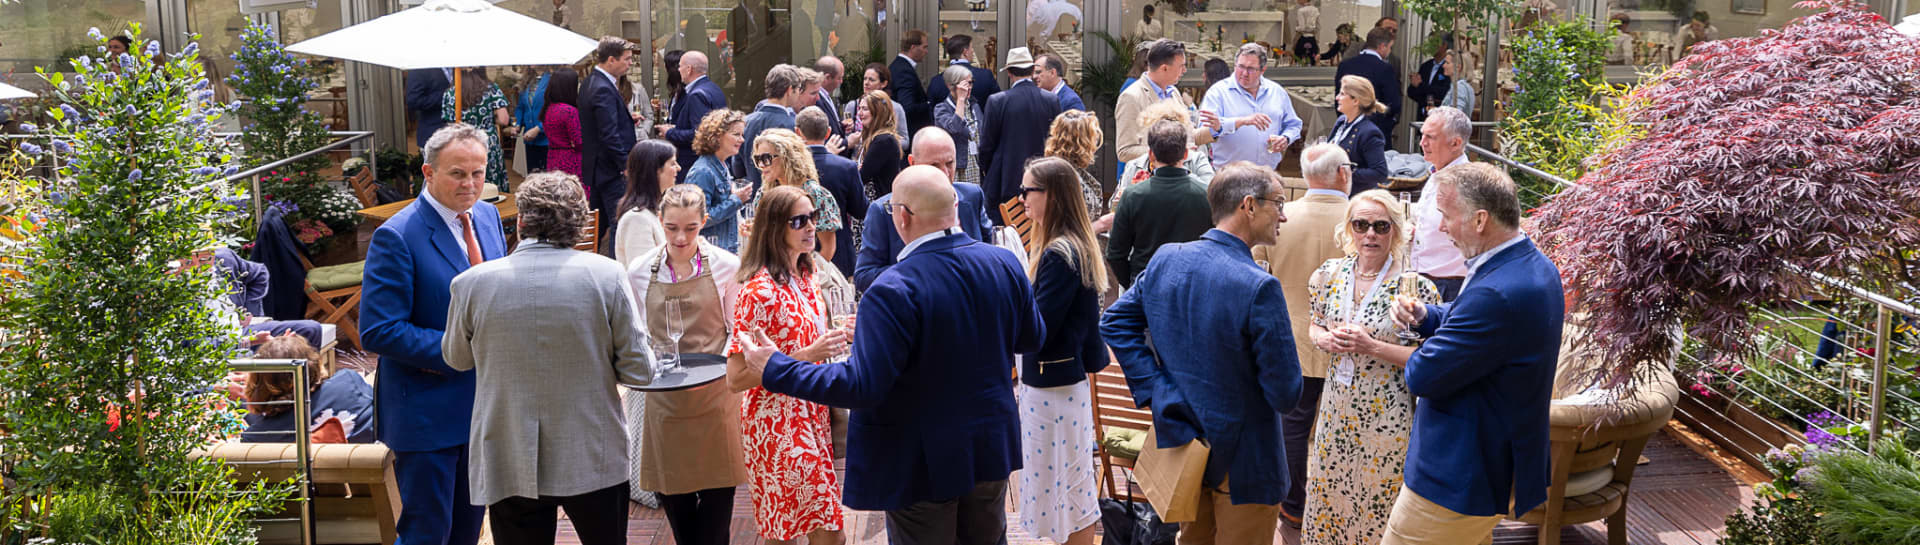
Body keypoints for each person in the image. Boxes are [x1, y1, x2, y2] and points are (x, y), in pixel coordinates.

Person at [735, 165, 1043, 545]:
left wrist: (775, 366)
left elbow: (862, 386)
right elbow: (1031, 338)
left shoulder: (893, 288)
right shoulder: (1004, 263)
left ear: (902, 216)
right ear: (956, 209)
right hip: (990, 446)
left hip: (921, 461)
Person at [441, 172, 653, 545]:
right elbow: (640, 370)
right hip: (592, 451)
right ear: (579, 224)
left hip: (509, 453)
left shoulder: (471, 284)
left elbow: (456, 359)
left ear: (521, 221)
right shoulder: (607, 276)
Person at [1100, 163, 1302, 545]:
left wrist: (1159, 390)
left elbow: (1114, 323)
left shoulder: (1166, 259)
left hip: (1183, 439)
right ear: (1249, 206)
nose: (1285, 213)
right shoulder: (1260, 287)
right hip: (1246, 462)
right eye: (1278, 202)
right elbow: (1286, 393)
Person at [1381, 163, 1564, 545]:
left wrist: (1415, 345)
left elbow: (1422, 375)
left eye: (1447, 216)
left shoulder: (1496, 292)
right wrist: (1427, 316)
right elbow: (1474, 320)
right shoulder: (1530, 265)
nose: (1442, 227)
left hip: (1457, 476)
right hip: (1486, 468)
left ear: (1480, 219)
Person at [360, 124, 507, 545]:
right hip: (426, 414)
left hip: (480, 410)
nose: (471, 183)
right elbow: (378, 329)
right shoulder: (397, 235)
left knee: (467, 530)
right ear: (428, 172)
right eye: (458, 173)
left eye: (478, 173)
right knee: (428, 533)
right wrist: (461, 351)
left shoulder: (487, 216)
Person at [1298, 189, 1439, 544]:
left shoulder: (1414, 288)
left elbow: (1428, 359)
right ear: (1349, 229)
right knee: (1330, 495)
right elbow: (1314, 323)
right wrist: (1323, 340)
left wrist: (1372, 346)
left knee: (1377, 501)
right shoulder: (1328, 275)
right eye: (1361, 225)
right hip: (1336, 410)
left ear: (1396, 231)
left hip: (1386, 415)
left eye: (1380, 226)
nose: (1370, 234)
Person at [724, 186, 853, 545]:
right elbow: (735, 378)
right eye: (799, 221)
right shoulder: (757, 291)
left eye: (812, 217)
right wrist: (807, 354)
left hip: (811, 413)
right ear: (774, 226)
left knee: (797, 528)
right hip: (775, 422)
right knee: (816, 532)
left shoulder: (808, 273)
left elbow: (813, 341)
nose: (811, 227)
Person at [628, 184, 750, 545]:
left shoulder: (728, 267)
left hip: (715, 398)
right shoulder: (638, 271)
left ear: (704, 223)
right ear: (660, 223)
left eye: (691, 228)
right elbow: (637, 336)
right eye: (671, 228)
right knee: (674, 499)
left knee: (717, 505)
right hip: (665, 399)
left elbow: (736, 332)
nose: (681, 237)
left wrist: (717, 367)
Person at [1250, 143, 1350, 526]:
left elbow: (1259, 272)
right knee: (1344, 426)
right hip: (1349, 342)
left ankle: (1293, 503)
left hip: (1292, 338)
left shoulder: (1282, 216)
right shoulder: (1365, 219)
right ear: (1342, 173)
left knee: (1292, 426)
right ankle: (1338, 504)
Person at [1013, 157, 1108, 545]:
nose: (1021, 201)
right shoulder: (1066, 247)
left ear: (1051, 196)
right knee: (1069, 488)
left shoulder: (1059, 254)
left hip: (1054, 390)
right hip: (1059, 386)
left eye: (1027, 192)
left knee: (1068, 492)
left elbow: (1040, 329)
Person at [854, 127, 992, 290]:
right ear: (912, 163)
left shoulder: (972, 196)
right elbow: (864, 276)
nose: (944, 173)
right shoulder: (884, 210)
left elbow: (989, 248)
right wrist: (923, 271)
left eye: (950, 163)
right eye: (934, 165)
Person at [1106, 120, 1212, 288]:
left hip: (1145, 283)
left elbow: (1115, 254)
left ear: (1151, 155)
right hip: (1191, 287)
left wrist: (1133, 283)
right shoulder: (1206, 194)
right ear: (1185, 154)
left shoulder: (1133, 195)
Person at [242, 334, 376, 444]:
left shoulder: (258, 436)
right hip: (380, 467)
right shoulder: (348, 380)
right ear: (314, 363)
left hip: (313, 476)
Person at [980, 47, 1063, 224]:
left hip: (1004, 180)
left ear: (1009, 72)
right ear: (1033, 70)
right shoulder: (1051, 100)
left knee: (1004, 234)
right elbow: (1055, 141)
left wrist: (989, 171)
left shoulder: (998, 101)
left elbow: (986, 146)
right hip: (1041, 179)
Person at [1201, 43, 1305, 170]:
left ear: (1263, 70)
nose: (1244, 73)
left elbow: (1294, 124)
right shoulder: (1218, 92)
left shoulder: (1277, 92)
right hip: (1229, 176)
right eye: (1241, 67)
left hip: (1267, 174)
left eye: (1251, 69)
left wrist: (1286, 138)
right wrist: (1241, 121)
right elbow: (1202, 134)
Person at [1115, 39, 1216, 165]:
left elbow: (1189, 137)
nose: (1184, 71)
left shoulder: (1173, 92)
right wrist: (1170, 153)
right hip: (1149, 180)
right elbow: (1125, 151)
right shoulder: (1131, 97)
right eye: (1181, 66)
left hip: (1179, 176)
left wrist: (1216, 130)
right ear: (1164, 68)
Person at [1411, 106, 1473, 301]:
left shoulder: (1466, 183)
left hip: (1449, 286)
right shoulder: (1437, 172)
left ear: (1455, 143)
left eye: (1431, 137)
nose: (1422, 143)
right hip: (1422, 278)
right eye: (1422, 135)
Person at [582, 37, 641, 241]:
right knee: (620, 221)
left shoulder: (591, 82)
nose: (630, 63)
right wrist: (624, 164)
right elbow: (608, 133)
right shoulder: (602, 87)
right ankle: (618, 268)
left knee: (599, 223)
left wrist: (626, 118)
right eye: (626, 59)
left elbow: (601, 122)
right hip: (610, 168)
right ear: (611, 60)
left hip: (599, 166)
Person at [798, 107, 868, 278]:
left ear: (798, 133)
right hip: (839, 255)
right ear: (828, 132)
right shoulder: (846, 167)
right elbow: (861, 210)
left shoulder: (791, 169)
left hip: (799, 253)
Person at [753, 128, 843, 260]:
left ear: (787, 157)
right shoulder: (764, 194)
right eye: (757, 159)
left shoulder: (815, 194)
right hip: (771, 272)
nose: (761, 165)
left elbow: (828, 248)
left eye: (766, 158)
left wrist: (808, 277)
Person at [685, 109, 756, 253]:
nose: (742, 140)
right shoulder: (702, 172)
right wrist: (736, 200)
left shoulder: (722, 165)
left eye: (742, 135)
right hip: (711, 253)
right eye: (736, 134)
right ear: (716, 136)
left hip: (724, 250)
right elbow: (698, 219)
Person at [1117, 101, 1218, 194]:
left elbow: (1211, 192)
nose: (1167, 134)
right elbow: (1117, 203)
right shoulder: (1135, 165)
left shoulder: (1196, 160)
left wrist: (1179, 173)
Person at [738, 65, 814, 189]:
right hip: (785, 197)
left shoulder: (745, 122)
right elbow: (800, 168)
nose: (799, 93)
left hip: (753, 197)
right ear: (790, 90)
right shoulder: (792, 124)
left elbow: (737, 168)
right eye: (799, 89)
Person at [441, 68, 512, 193]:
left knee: (467, 180)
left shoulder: (450, 93)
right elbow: (504, 119)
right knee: (492, 184)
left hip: (463, 142)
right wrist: (490, 119)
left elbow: (450, 124)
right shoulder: (491, 89)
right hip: (487, 142)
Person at [662, 51, 728, 181]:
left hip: (693, 162)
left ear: (689, 69)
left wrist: (669, 132)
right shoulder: (714, 88)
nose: (678, 70)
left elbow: (699, 134)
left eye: (680, 66)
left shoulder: (696, 95)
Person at [614, 140, 681, 267]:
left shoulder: (656, 211)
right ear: (656, 170)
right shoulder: (636, 219)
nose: (678, 168)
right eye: (672, 164)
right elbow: (643, 274)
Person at [1336, 27, 1402, 147]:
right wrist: (1387, 124)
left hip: (1348, 129)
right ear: (1382, 46)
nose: (1389, 51)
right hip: (1376, 131)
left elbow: (1338, 100)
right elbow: (1394, 103)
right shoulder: (1384, 68)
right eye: (1389, 47)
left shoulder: (1345, 65)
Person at [1328, 75, 1389, 195]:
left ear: (1355, 101)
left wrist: (1345, 173)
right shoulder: (1341, 121)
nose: (1337, 98)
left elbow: (1380, 173)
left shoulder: (1369, 133)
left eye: (1342, 94)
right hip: (1336, 192)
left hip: (1355, 197)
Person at [1042, 110, 1105, 225]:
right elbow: (1068, 230)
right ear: (1081, 141)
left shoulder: (1065, 167)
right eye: (1093, 136)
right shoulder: (1062, 176)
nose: (1096, 141)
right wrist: (1102, 224)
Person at [933, 65, 986, 185]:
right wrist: (960, 100)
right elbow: (955, 128)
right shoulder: (941, 109)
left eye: (971, 83)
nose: (969, 88)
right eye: (965, 84)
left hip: (976, 164)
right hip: (957, 167)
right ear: (951, 86)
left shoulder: (974, 105)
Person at [846, 62, 909, 156]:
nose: (866, 83)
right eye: (865, 79)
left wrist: (882, 144)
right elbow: (845, 137)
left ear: (883, 84)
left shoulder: (895, 108)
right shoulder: (853, 106)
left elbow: (905, 141)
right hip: (856, 161)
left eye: (871, 80)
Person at [926, 34, 1002, 109]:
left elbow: (930, 110)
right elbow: (998, 104)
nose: (972, 51)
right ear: (965, 52)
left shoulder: (936, 81)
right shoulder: (985, 76)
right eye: (971, 48)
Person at [857, 90, 907, 200]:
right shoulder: (874, 138)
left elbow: (862, 176)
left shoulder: (883, 141)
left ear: (878, 112)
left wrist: (854, 170)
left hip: (879, 204)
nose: (860, 113)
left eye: (865, 109)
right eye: (859, 108)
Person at [542, 67, 586, 181]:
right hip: (570, 160)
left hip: (553, 157)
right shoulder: (569, 111)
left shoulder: (549, 108)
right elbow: (579, 142)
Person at [892, 29, 935, 137]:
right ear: (913, 47)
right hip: (910, 132)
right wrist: (930, 104)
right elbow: (907, 107)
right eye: (924, 47)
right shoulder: (904, 70)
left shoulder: (899, 65)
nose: (926, 51)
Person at [515, 66, 553, 173]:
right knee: (532, 176)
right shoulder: (526, 81)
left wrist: (538, 129)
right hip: (529, 141)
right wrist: (518, 124)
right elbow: (521, 107)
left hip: (546, 140)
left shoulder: (552, 80)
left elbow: (553, 110)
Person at [1406, 33, 1451, 120]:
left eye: (1434, 43)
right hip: (1423, 116)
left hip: (1441, 117)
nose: (1430, 47)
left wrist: (1421, 86)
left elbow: (1444, 93)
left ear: (1444, 45)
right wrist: (1415, 84)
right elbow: (1411, 92)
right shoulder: (1426, 66)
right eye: (1429, 44)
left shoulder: (1449, 67)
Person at [406, 68, 454, 148]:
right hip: (434, 135)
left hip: (461, 135)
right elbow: (413, 100)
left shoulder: (460, 65)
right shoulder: (421, 68)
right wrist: (447, 96)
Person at [812, 56, 850, 142]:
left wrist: (841, 126)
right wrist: (848, 143)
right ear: (827, 78)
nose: (841, 81)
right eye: (839, 78)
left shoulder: (826, 96)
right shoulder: (816, 100)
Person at [1438, 53, 1475, 119]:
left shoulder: (1460, 87)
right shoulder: (1460, 86)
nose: (1443, 66)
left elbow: (1455, 114)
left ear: (1458, 67)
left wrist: (1434, 112)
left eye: (1447, 63)